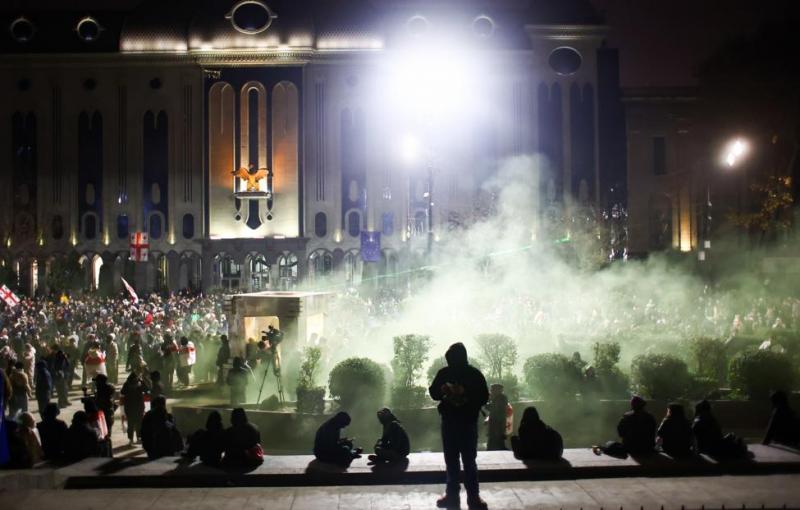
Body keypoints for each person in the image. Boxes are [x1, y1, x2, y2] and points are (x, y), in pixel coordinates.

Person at [429, 342, 489, 510]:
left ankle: (467, 495)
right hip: (453, 422)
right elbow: (434, 393)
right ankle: (464, 496)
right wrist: (443, 390)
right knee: (457, 460)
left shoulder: (471, 374)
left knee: (465, 460)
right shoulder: (468, 374)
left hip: (465, 422)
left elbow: (483, 396)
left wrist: (464, 392)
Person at [121, 371, 148, 445]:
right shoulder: (139, 384)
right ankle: (138, 438)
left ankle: (131, 439)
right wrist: (142, 381)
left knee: (130, 424)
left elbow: (122, 392)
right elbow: (146, 389)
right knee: (139, 423)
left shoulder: (127, 384)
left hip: (129, 408)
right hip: (139, 407)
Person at [485, 383, 509, 450]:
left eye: (492, 389)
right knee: (494, 436)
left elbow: (494, 408)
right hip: (496, 419)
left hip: (498, 419)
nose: (491, 391)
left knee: (497, 435)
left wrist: (487, 404)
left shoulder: (501, 398)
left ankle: (497, 447)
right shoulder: (497, 398)